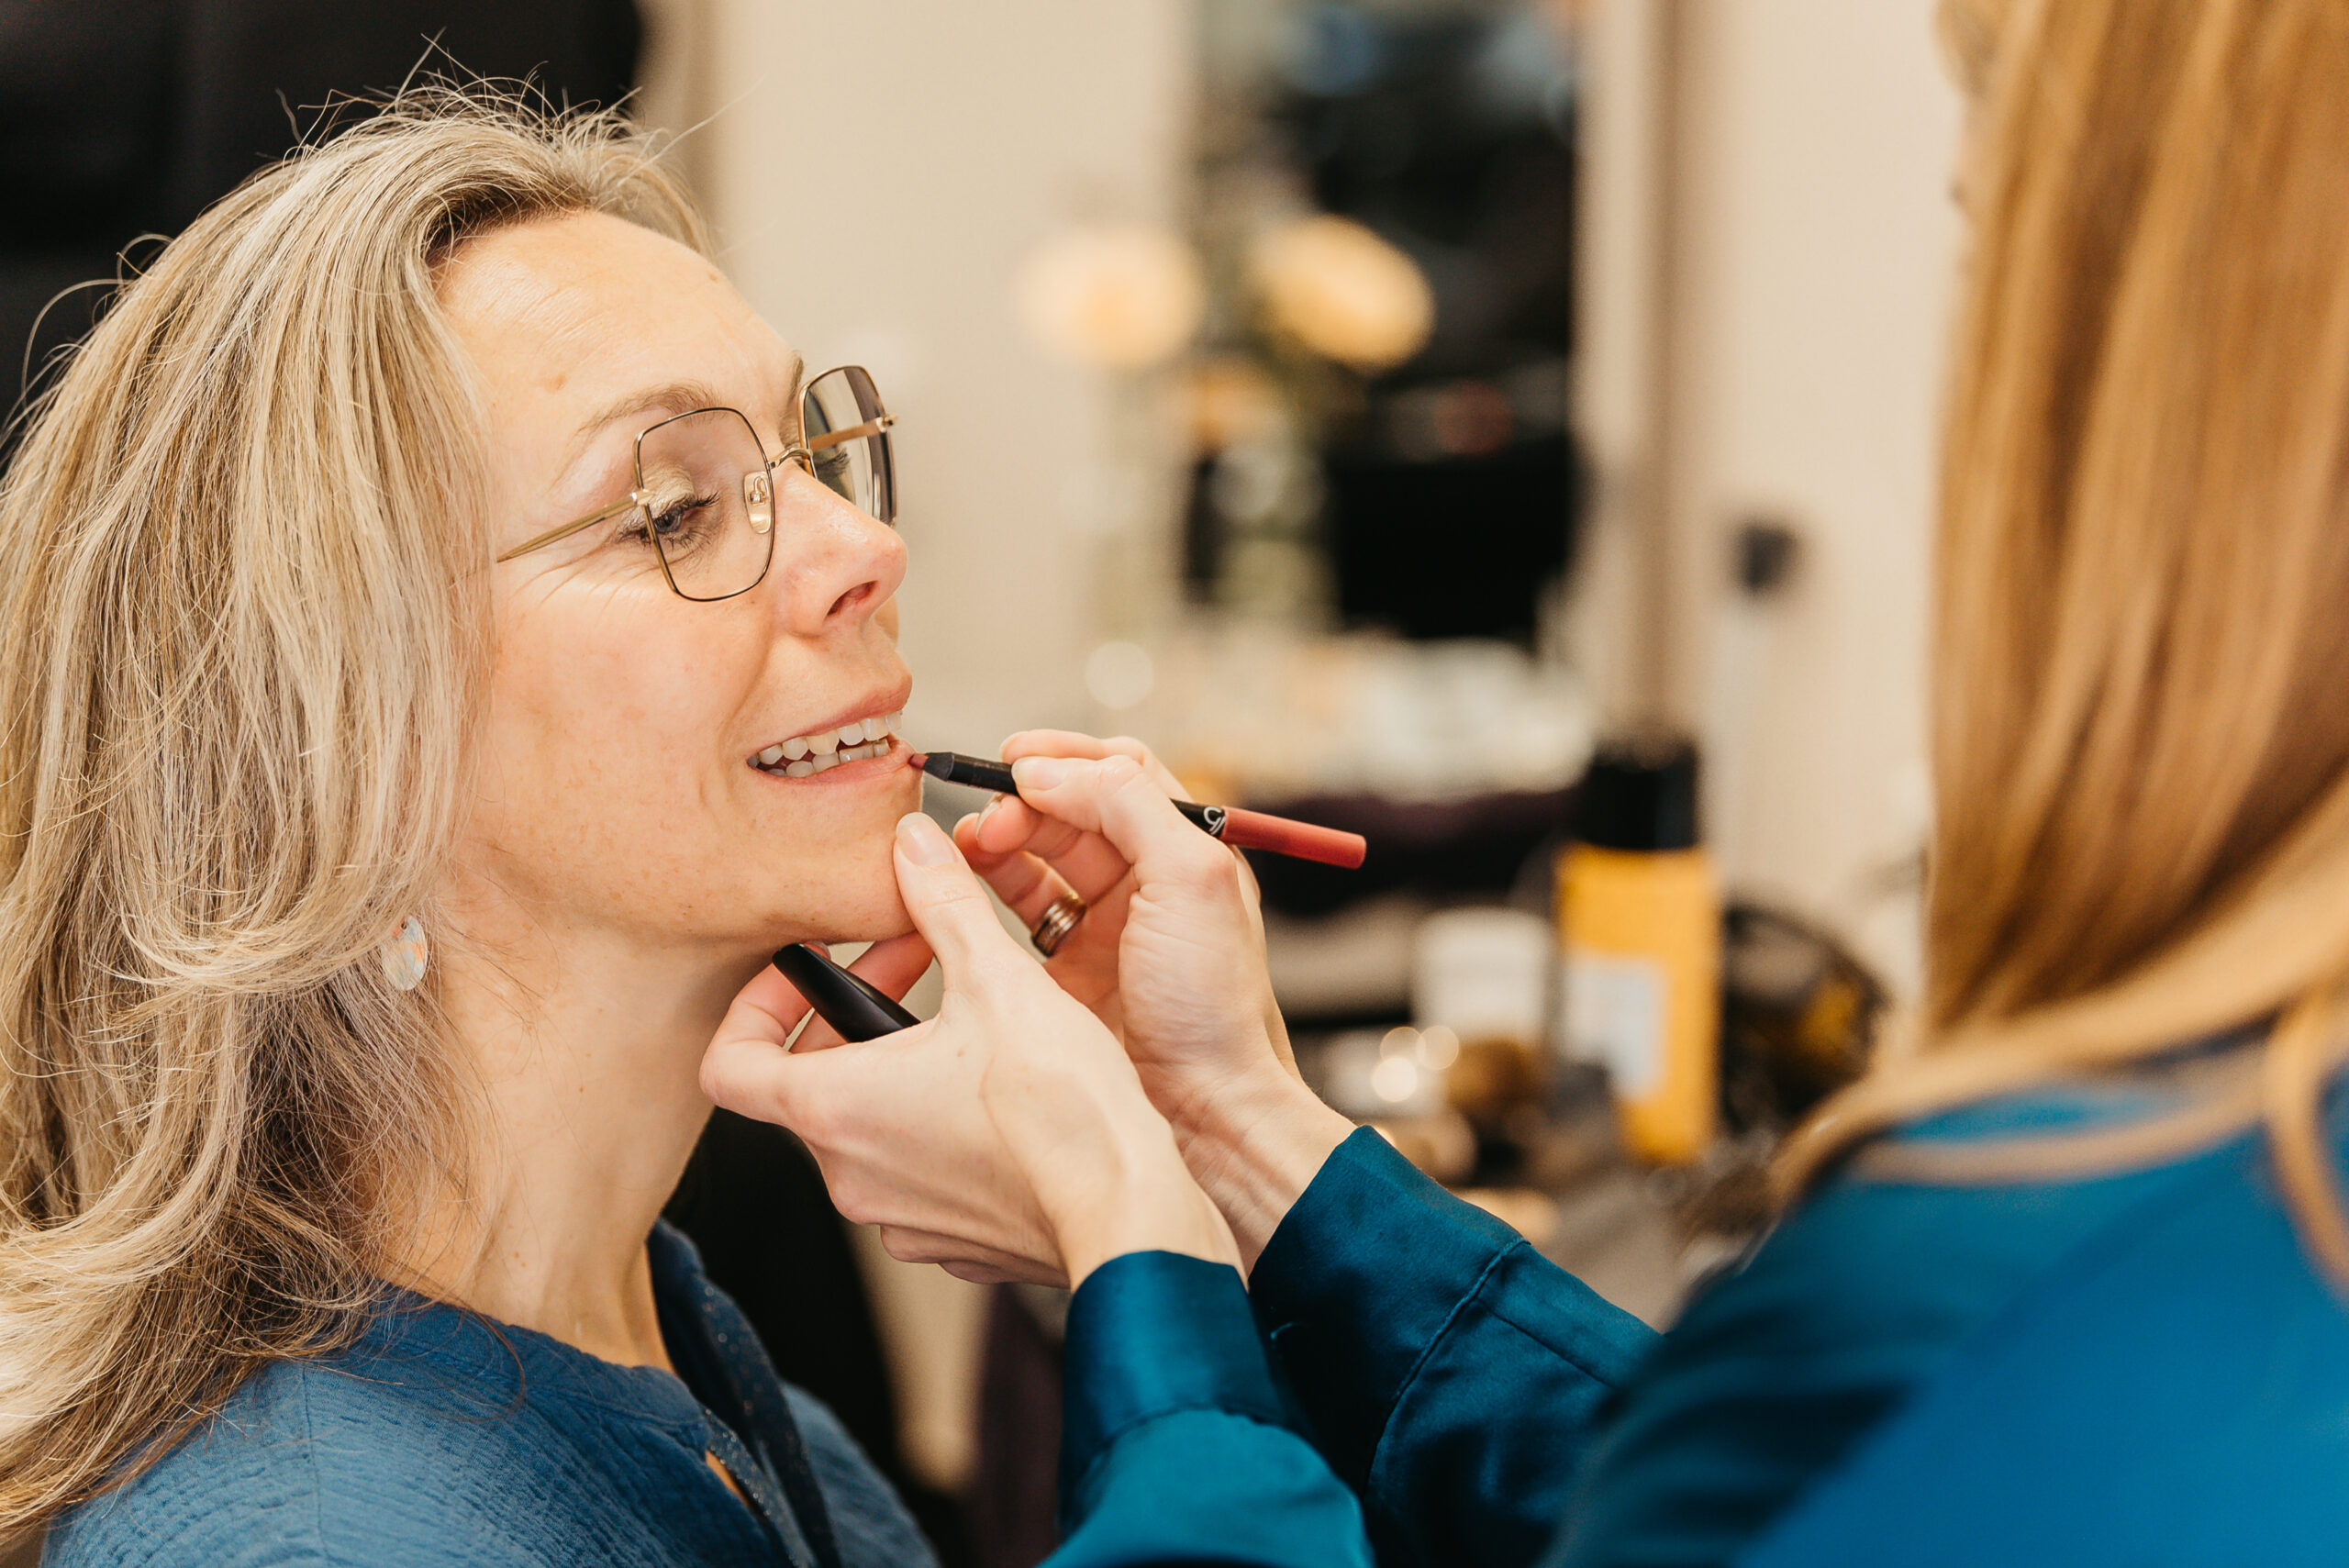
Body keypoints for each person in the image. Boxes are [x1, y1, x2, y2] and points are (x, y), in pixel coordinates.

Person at [702, 0, 2349, 1562]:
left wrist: (1130, 1234)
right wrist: (1233, 1132)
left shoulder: (2017, 1287)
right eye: (673, 508)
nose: (869, 544)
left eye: (1982, 238)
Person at [0, 95, 935, 1565]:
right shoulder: (331, 1545)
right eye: (674, 508)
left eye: (810, 452)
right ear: (345, 759)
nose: (862, 548)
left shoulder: (689, 1369)